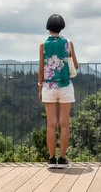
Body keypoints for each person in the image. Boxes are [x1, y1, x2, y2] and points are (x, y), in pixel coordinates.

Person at [38, 14, 79, 169]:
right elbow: (75, 64)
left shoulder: (43, 45)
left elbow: (41, 68)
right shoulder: (68, 43)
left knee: (51, 124)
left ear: (48, 28)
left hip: (48, 86)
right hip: (65, 86)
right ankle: (62, 159)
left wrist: (40, 87)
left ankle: (51, 159)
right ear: (62, 27)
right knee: (64, 125)